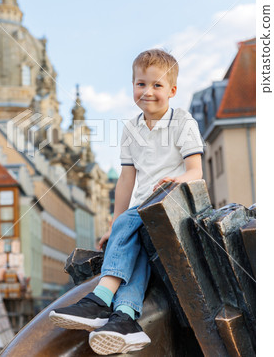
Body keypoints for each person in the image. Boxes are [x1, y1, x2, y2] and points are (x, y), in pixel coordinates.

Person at [49, 49, 203, 355]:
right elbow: (126, 180)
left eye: (157, 85)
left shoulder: (183, 121)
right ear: (133, 86)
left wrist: (176, 182)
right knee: (135, 234)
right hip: (145, 211)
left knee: (134, 219)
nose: (148, 92)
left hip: (177, 204)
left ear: (172, 90)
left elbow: (196, 171)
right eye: (141, 84)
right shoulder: (131, 128)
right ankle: (126, 318)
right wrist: (113, 222)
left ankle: (100, 299)